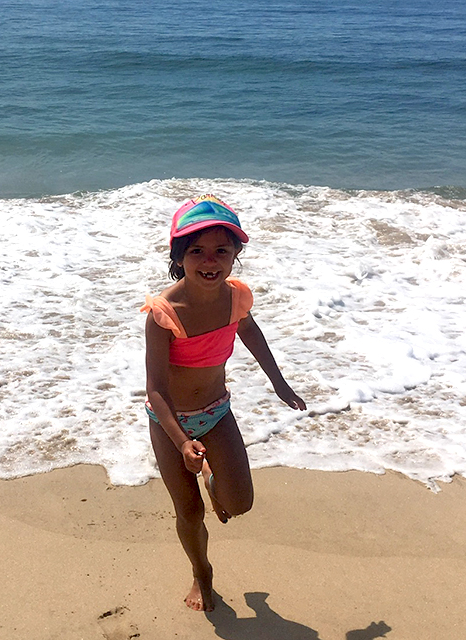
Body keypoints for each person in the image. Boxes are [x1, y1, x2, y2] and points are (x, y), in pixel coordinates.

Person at [142, 194, 306, 612]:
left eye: (222, 250)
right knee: (189, 510)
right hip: (169, 422)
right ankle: (203, 574)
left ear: (235, 255)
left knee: (240, 504)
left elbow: (249, 332)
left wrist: (279, 383)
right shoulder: (164, 313)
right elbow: (156, 389)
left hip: (216, 413)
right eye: (197, 251)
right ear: (179, 257)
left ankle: (213, 478)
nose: (210, 261)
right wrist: (182, 442)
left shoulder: (235, 298)